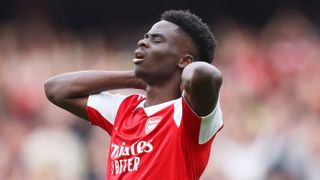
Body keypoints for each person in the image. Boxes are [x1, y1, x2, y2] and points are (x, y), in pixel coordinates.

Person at [44, 9, 223, 180]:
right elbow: (55, 89)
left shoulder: (188, 115)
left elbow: (205, 75)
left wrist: (172, 76)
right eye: (145, 37)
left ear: (184, 60)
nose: (142, 42)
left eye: (157, 40)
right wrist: (134, 77)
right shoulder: (123, 109)